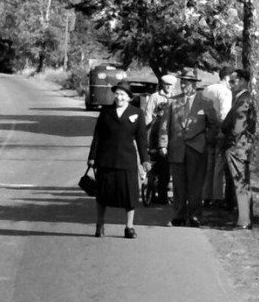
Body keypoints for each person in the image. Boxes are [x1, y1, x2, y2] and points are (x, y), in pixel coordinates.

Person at [87, 81, 150, 238]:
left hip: (127, 160)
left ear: (129, 97)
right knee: (102, 195)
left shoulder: (137, 113)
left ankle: (129, 227)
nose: (119, 97)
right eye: (117, 94)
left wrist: (145, 160)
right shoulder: (106, 112)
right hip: (106, 159)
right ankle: (100, 225)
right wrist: (92, 156)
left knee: (130, 196)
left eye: (122, 95)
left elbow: (142, 140)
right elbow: (98, 136)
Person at [158, 68, 219, 227]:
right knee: (178, 185)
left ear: (193, 84)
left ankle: (194, 216)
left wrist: (207, 140)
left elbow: (214, 125)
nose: (183, 86)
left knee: (196, 185)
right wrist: (163, 144)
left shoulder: (205, 102)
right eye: (182, 83)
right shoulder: (173, 102)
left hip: (197, 149)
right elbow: (164, 125)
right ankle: (178, 215)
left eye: (186, 83)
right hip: (177, 149)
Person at [222, 68, 258, 230]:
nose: (230, 85)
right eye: (229, 81)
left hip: (238, 146)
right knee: (242, 183)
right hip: (241, 145)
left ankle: (244, 220)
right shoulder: (241, 98)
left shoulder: (243, 99)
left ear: (243, 81)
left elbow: (238, 125)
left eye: (233, 81)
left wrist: (231, 141)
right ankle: (245, 217)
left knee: (240, 183)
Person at [142, 74, 177, 205]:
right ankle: (151, 187)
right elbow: (148, 115)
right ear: (162, 85)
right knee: (155, 162)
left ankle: (162, 195)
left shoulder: (174, 97)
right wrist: (148, 133)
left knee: (165, 168)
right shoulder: (155, 97)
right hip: (155, 132)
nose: (169, 88)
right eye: (167, 85)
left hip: (169, 134)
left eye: (171, 85)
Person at [202, 65, 234, 207]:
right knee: (218, 164)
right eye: (232, 79)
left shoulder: (207, 89)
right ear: (227, 78)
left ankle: (206, 194)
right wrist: (225, 131)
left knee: (208, 164)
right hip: (219, 129)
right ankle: (217, 196)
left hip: (207, 129)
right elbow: (224, 114)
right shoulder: (225, 92)